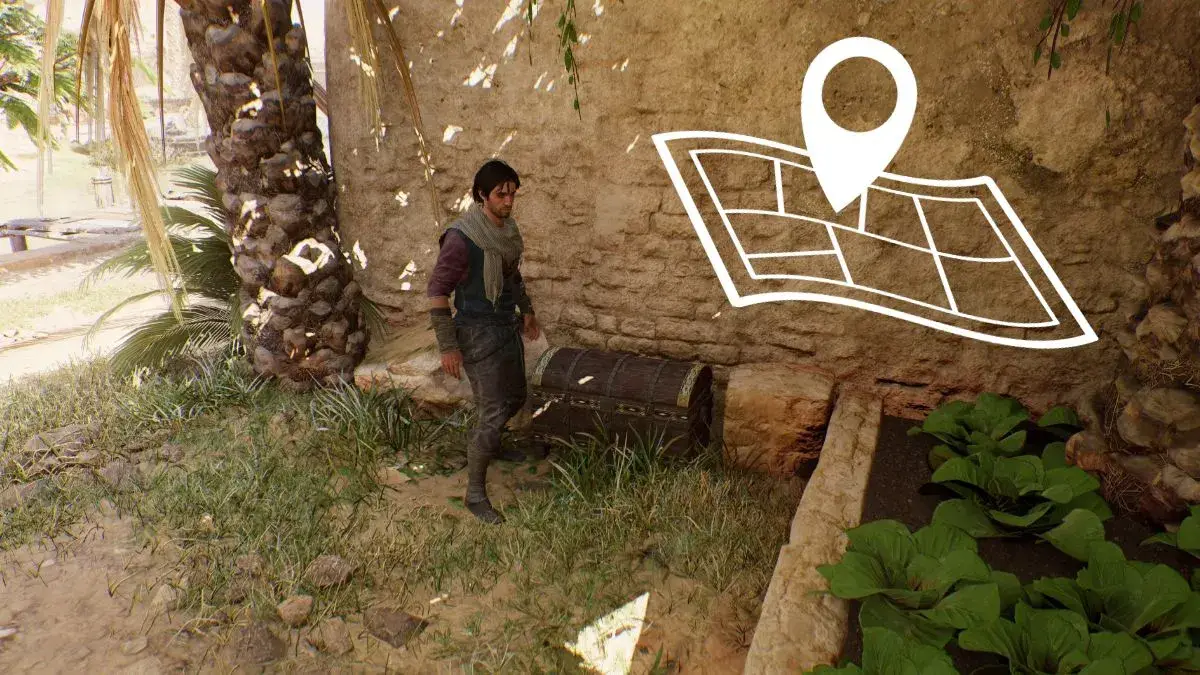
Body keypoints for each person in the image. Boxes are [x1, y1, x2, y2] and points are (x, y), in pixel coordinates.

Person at [426, 159, 540, 525]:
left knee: (516, 396)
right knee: (492, 412)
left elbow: (511, 274)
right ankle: (475, 493)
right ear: (481, 195)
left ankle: (496, 447)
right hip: (476, 332)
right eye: (500, 194)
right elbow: (437, 291)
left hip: (505, 326)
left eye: (512, 194)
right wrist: (448, 347)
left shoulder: (506, 232)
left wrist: (526, 309)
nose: (508, 201)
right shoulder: (461, 239)